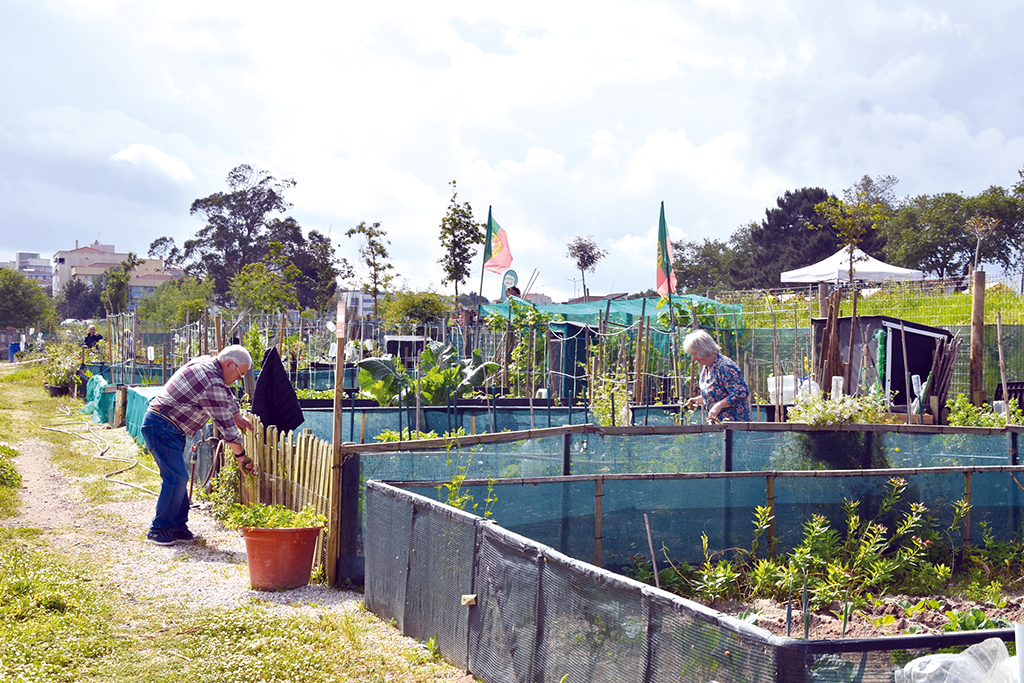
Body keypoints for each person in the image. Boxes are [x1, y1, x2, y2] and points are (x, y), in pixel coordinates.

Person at [141, 345, 255, 546]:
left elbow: (226, 393)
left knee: (179, 477)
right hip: (161, 426)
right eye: (240, 374)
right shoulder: (211, 381)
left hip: (168, 426)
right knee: (176, 477)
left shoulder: (208, 365)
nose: (239, 379)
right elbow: (226, 426)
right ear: (229, 364)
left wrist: (236, 413)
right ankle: (158, 530)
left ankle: (177, 527)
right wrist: (240, 456)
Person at [683, 329, 751, 422]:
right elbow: (716, 394)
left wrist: (718, 406)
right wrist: (697, 400)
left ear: (704, 350)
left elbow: (741, 392)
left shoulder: (725, 366)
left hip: (735, 424)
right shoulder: (707, 367)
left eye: (694, 353)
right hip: (718, 424)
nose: (693, 358)